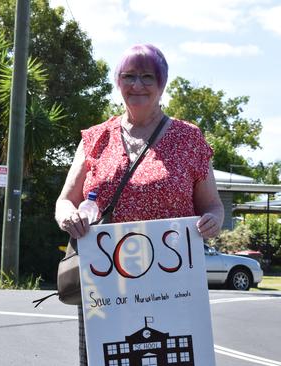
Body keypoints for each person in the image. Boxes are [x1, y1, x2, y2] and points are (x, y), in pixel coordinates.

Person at [55, 43, 224, 365]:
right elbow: (65, 201)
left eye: (148, 77)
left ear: (162, 84)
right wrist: (69, 219)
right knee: (106, 358)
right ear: (118, 82)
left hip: (169, 283)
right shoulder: (96, 137)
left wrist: (212, 221)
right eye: (129, 76)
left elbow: (213, 206)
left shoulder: (190, 138)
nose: (137, 85)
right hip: (105, 281)